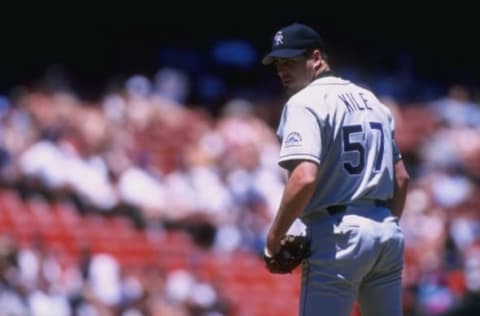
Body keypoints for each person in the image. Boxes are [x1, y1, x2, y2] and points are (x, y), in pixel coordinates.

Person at [262, 22, 410, 316]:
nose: (282, 71)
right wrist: (379, 225)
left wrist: (274, 238)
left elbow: (304, 178)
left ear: (316, 57)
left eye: (290, 61)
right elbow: (402, 178)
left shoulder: (303, 102)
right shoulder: (373, 101)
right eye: (278, 63)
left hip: (338, 235)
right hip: (386, 231)